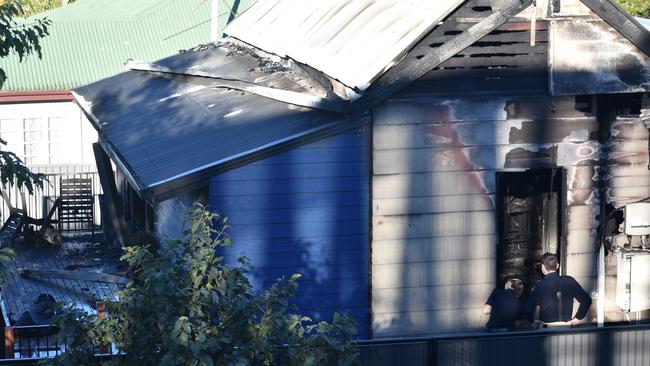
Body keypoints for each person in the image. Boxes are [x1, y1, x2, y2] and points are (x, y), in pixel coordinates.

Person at [524, 253, 592, 327]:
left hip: (547, 329)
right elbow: (586, 300)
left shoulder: (539, 285)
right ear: (557, 266)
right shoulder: (569, 281)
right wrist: (578, 317)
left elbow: (528, 310)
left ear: (542, 267)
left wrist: (532, 321)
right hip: (566, 327)